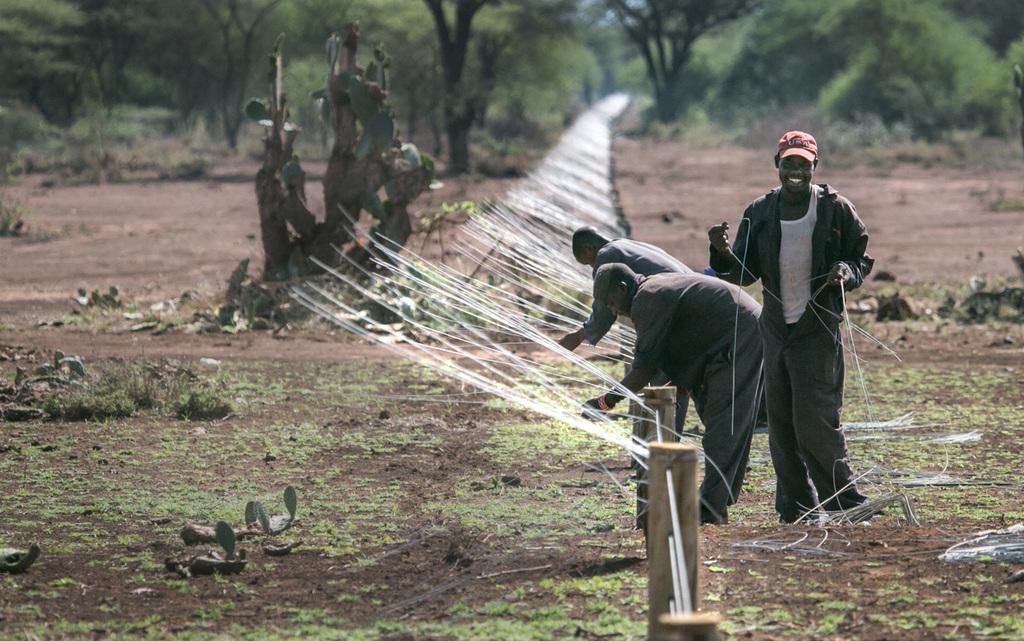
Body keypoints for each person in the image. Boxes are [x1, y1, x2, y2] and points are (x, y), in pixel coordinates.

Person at [707, 130, 873, 523]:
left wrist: (845, 272)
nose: (795, 171)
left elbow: (861, 258)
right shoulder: (760, 212)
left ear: (815, 166)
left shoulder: (835, 209)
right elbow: (741, 273)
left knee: (815, 419)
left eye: (803, 164)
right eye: (788, 163)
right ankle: (795, 506)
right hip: (776, 329)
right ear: (777, 165)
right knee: (781, 422)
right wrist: (720, 250)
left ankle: (843, 501)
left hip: (817, 327)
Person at [581, 263, 763, 525]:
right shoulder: (651, 289)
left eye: (610, 302)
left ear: (622, 289)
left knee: (724, 426)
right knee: (718, 424)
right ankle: (716, 499)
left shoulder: (647, 299)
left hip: (739, 335)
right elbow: (672, 350)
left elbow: (644, 370)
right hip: (717, 339)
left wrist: (605, 401)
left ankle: (710, 509)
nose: (612, 310)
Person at [559, 227, 693, 429]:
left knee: (660, 375)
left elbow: (604, 309)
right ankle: (660, 443)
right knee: (683, 377)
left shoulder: (608, 255)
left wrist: (578, 337)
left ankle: (663, 446)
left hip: (675, 309)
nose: (595, 270)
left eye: (589, 263)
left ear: (589, 249)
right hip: (689, 301)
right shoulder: (628, 245)